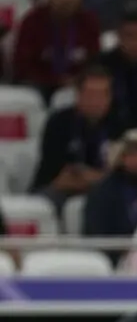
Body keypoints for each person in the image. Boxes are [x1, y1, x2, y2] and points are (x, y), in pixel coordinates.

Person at [29, 64, 126, 217]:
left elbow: (124, 172)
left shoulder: (120, 124)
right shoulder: (59, 122)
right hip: (58, 190)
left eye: (103, 94)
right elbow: (62, 176)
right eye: (91, 94)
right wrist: (101, 177)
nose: (96, 101)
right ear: (78, 95)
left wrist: (89, 177)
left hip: (107, 193)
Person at [11, 0, 102, 102]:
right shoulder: (33, 21)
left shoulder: (89, 22)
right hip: (39, 83)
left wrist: (78, 79)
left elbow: (95, 61)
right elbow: (23, 65)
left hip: (77, 83)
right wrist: (55, 80)